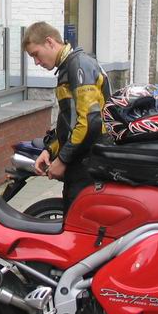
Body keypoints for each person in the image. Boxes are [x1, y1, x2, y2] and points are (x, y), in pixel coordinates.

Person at [23, 22, 111, 212]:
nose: (36, 62)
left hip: (88, 162)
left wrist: (62, 160)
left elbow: (90, 122)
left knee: (79, 222)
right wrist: (49, 150)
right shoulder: (70, 65)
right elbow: (69, 122)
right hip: (84, 160)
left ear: (50, 42)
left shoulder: (78, 65)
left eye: (36, 54)